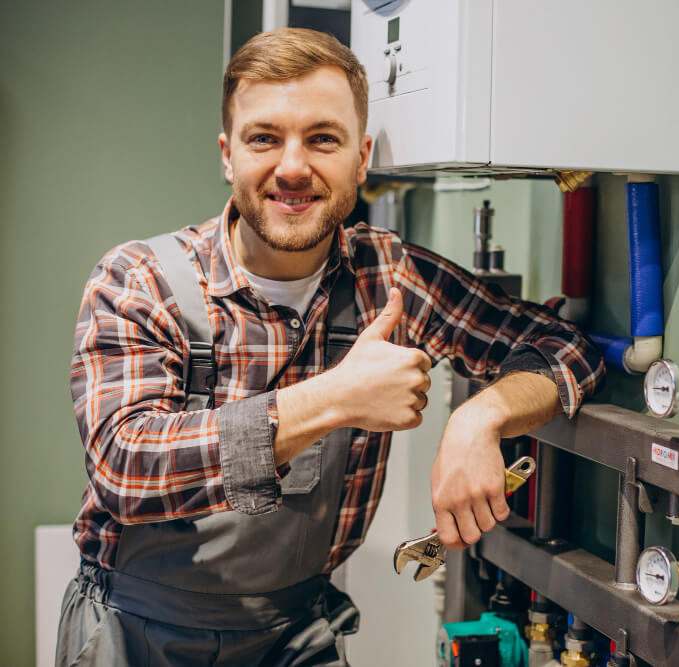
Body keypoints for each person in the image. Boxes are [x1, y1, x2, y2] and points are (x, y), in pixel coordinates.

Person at [56, 27, 604, 666]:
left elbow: (565, 347)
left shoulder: (388, 278)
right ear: (228, 155)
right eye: (265, 138)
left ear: (361, 157)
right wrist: (335, 397)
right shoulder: (140, 280)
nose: (293, 167)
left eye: (323, 139)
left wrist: (480, 417)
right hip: (136, 631)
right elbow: (127, 467)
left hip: (295, 635)